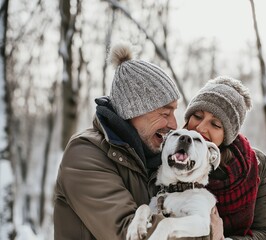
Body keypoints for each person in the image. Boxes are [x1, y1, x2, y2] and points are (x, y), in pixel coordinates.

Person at [53, 42, 183, 239]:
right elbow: (128, 232)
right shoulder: (84, 154)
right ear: (134, 111)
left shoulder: (157, 157)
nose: (174, 124)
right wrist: (205, 232)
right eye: (165, 113)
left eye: (174, 112)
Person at [184, 76, 266, 240]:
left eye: (216, 124)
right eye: (197, 116)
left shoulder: (257, 166)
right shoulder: (167, 155)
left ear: (227, 136)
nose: (200, 128)